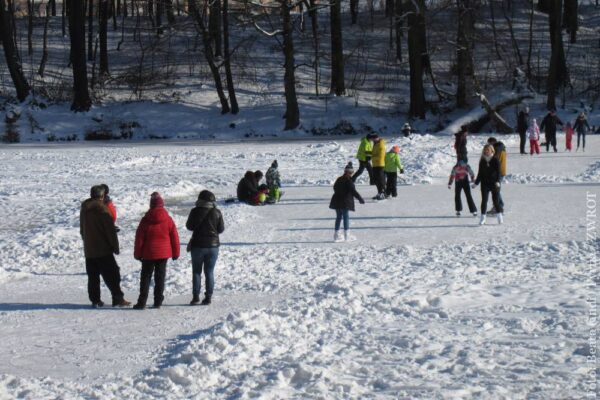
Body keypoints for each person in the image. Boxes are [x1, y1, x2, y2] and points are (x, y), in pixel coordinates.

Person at [80, 185, 130, 308]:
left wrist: (87, 241)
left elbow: (82, 229)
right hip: (103, 250)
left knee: (93, 277)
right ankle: (118, 298)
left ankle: (95, 300)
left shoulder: (84, 208)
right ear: (102, 196)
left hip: (89, 249)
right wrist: (115, 247)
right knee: (113, 274)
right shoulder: (103, 210)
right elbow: (110, 232)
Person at [132, 192, 180, 310]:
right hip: (163, 254)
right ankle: (158, 301)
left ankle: (142, 302)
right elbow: (174, 237)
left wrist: (137, 254)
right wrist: (176, 252)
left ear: (151, 205)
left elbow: (139, 238)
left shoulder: (145, 219)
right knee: (160, 277)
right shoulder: (168, 219)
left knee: (146, 278)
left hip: (148, 254)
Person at [186, 190, 225, 306]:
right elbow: (221, 229)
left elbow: (189, 226)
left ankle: (195, 297)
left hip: (197, 245)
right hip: (213, 246)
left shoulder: (194, 211)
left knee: (196, 271)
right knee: (209, 272)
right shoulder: (217, 212)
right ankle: (208, 297)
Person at [329, 162, 365, 242]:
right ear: (351, 172)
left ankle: (336, 235)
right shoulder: (349, 181)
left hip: (337, 200)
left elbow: (335, 188)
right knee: (346, 217)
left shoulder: (339, 179)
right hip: (345, 202)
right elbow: (353, 191)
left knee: (338, 217)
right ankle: (347, 236)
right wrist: (360, 198)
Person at [473, 145, 503, 225]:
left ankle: (499, 216)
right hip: (484, 184)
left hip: (494, 184)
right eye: (485, 150)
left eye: (488, 150)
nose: (486, 151)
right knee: (484, 201)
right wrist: (476, 183)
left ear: (492, 151)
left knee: (496, 201)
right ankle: (483, 218)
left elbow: (499, 172)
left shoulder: (495, 159)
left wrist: (498, 181)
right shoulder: (482, 161)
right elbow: (480, 173)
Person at [487, 137, 506, 212]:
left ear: (492, 142)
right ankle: (498, 205)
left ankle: (499, 206)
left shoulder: (497, 149)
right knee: (496, 190)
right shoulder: (501, 148)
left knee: (495, 190)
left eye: (489, 143)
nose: (488, 145)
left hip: (497, 172)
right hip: (501, 172)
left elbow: (495, 162)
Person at [371, 135, 387, 200]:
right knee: (376, 180)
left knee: (381, 180)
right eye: (372, 139)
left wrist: (372, 157)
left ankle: (383, 193)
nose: (373, 140)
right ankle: (379, 192)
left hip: (380, 165)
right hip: (375, 164)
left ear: (377, 138)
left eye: (374, 138)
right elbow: (374, 154)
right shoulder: (375, 144)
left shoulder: (381, 145)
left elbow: (381, 156)